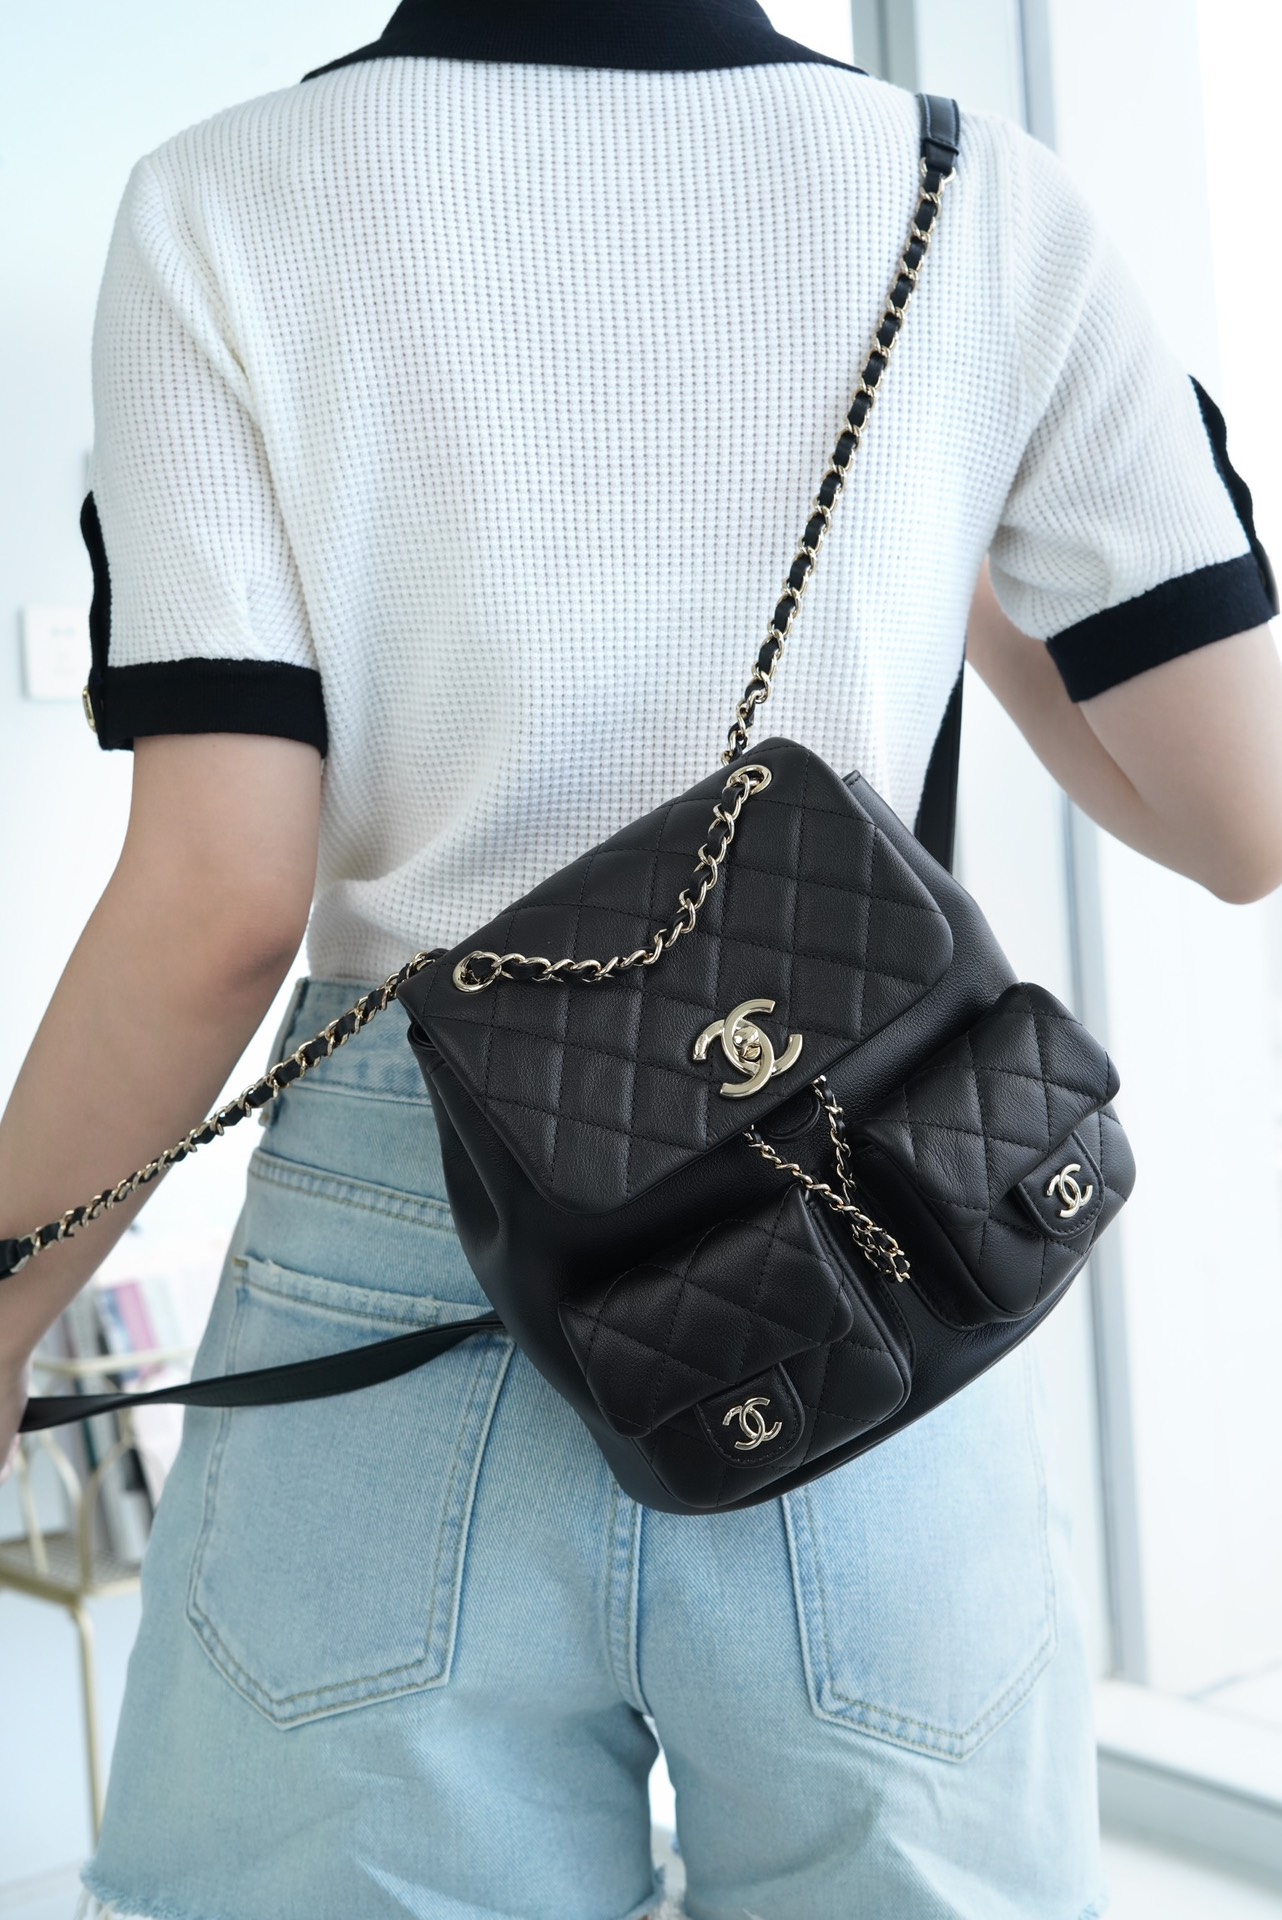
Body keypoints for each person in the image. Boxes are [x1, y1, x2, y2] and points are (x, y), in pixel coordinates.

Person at [3, 3, 1282, 1916]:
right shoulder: (977, 197)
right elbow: (1239, 818)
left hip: (401, 1230)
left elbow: (220, 900)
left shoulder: (222, 201)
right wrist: (936, 525)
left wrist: (7, 1303)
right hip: (859, 1204)